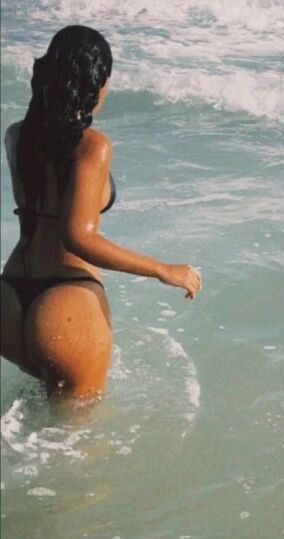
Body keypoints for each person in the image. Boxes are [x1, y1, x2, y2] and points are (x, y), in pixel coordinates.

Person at [0, 25, 202, 402]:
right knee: (76, 436)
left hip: (9, 299)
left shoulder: (16, 135)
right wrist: (162, 269)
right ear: (96, 81)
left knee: (31, 420)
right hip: (65, 301)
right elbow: (79, 236)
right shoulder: (92, 146)